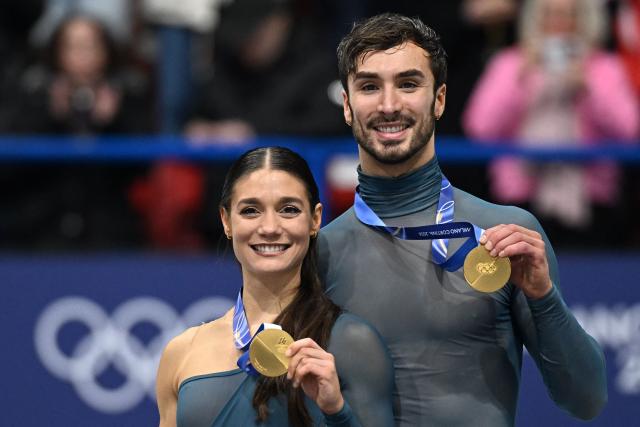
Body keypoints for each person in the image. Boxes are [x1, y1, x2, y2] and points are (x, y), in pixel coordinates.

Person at [318, 13, 607, 426]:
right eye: (369, 86)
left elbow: (587, 399)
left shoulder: (508, 235)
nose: (388, 105)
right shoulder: (320, 252)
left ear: (439, 99)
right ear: (347, 106)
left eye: (408, 83)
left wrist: (544, 297)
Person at [156, 147, 394, 426]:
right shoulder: (182, 352)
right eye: (250, 210)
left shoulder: (352, 342)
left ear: (315, 219)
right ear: (226, 221)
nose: (269, 226)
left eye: (289, 210)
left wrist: (336, 411)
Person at [463, 0, 639, 241]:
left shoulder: (604, 67)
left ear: (584, 20)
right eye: (549, 15)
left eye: (568, 16)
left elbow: (629, 128)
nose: (558, 24)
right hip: (518, 201)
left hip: (591, 204)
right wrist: (521, 77)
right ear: (535, 19)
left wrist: (588, 88)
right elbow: (479, 127)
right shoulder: (510, 63)